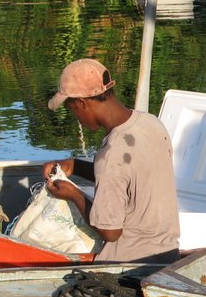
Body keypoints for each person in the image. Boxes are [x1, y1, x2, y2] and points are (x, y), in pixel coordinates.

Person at [43, 58, 181, 264]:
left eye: (73, 111)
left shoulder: (112, 152)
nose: (77, 119)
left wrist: (73, 195)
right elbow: (125, 175)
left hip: (129, 264)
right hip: (168, 253)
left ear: (81, 103)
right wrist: (75, 166)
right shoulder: (151, 123)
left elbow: (110, 232)